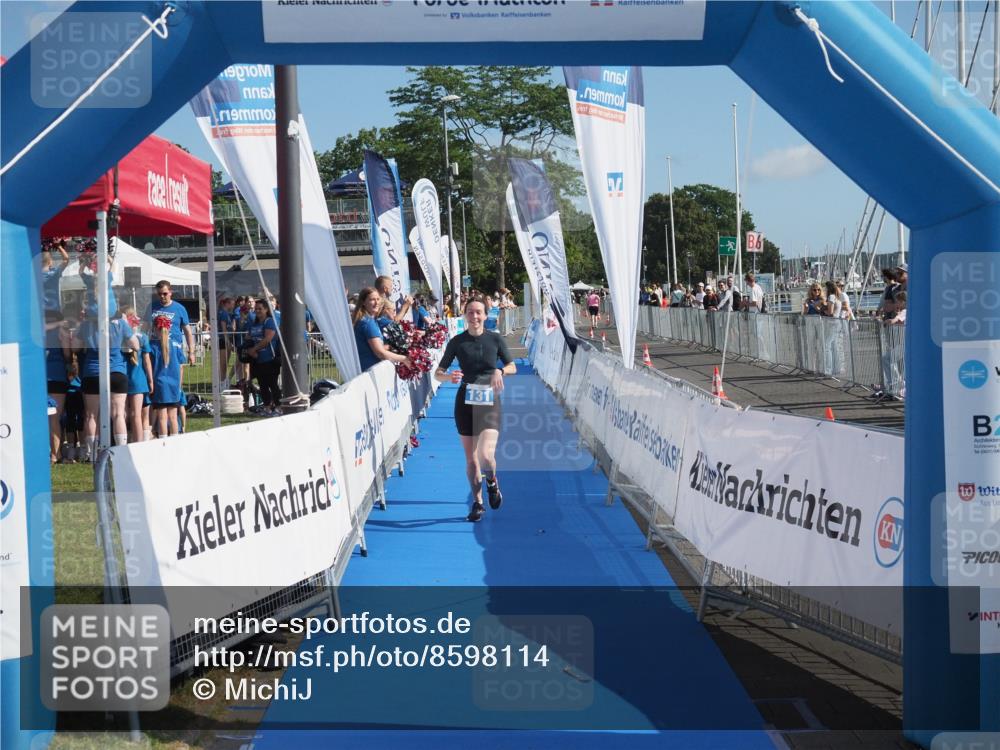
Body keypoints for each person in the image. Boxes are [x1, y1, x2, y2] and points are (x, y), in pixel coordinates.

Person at [435, 295, 516, 522]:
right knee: (471, 460)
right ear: (465, 315)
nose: (475, 316)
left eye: (478, 312)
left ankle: (492, 481)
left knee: (486, 454)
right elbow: (437, 373)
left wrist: (500, 371)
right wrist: (449, 376)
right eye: (470, 312)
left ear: (486, 314)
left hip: (489, 402)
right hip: (465, 402)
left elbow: (512, 366)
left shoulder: (495, 340)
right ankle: (478, 503)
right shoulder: (457, 342)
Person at [73, 306, 140, 455]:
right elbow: (135, 345)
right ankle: (121, 450)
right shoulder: (120, 323)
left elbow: (75, 347)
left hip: (92, 372)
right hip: (116, 371)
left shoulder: (86, 325)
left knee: (91, 414)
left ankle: (92, 453)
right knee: (118, 413)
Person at [149, 280, 195, 437]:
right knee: (168, 412)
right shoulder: (152, 307)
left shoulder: (179, 309)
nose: (162, 296)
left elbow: (188, 331)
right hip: (159, 353)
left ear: (171, 292)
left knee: (168, 412)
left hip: (173, 353)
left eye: (165, 293)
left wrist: (192, 351)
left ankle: (165, 438)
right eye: (159, 294)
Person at [353, 287, 412, 372]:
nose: (376, 303)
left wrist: (390, 347)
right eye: (372, 300)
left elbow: (373, 348)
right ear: (363, 302)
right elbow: (380, 353)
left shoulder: (369, 320)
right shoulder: (367, 323)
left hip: (370, 369)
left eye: (378, 299)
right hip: (369, 371)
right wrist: (404, 358)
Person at [44, 309, 72, 463]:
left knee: (41, 416)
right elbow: (67, 353)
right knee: (55, 417)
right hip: (57, 375)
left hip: (40, 375)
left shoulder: (38, 331)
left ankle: (45, 452)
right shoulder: (61, 331)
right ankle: (56, 454)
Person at [246, 299, 281, 417]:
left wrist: (254, 349)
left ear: (266, 309)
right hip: (257, 359)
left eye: (260, 308)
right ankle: (267, 407)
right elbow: (249, 337)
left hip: (270, 359)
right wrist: (248, 349)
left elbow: (267, 339)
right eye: (256, 309)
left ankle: (278, 407)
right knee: (263, 385)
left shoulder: (269, 321)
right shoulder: (255, 323)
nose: (257, 311)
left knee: (273, 384)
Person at [122, 307, 153, 443]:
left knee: (123, 414)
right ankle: (139, 443)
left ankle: (124, 442)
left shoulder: (120, 337)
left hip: (123, 377)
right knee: (137, 415)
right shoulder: (143, 337)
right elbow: (147, 361)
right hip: (139, 379)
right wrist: (151, 380)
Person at [40, 238, 70, 314]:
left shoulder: (34, 275)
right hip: (54, 309)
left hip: (39, 310)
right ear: (50, 262)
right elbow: (66, 259)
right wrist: (59, 246)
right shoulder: (54, 273)